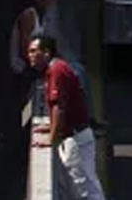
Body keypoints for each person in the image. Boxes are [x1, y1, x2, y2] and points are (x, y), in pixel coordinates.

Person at [28, 36, 106, 200]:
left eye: (34, 51)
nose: (30, 55)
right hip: (73, 137)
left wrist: (51, 139)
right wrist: (51, 128)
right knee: (73, 189)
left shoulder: (56, 71)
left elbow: (59, 108)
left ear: (47, 53)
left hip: (76, 140)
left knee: (84, 190)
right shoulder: (58, 68)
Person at [10, 0, 58, 95]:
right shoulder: (29, 15)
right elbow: (24, 49)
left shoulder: (44, 19)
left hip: (32, 69)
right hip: (22, 70)